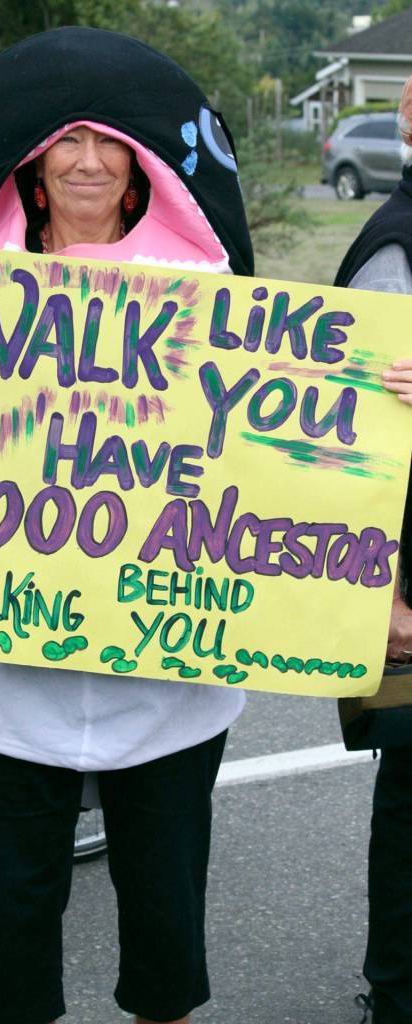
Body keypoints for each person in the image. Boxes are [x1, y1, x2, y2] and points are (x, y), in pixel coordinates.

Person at [0, 26, 253, 1024]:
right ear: (31, 168)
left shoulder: (211, 299)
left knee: (166, 929)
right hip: (7, 693)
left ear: (141, 171)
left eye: (110, 143)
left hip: (168, 687)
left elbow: (283, 441)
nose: (88, 160)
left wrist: (379, 395)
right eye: (66, 142)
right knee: (12, 929)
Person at [334, 78, 412, 1024]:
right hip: (401, 578)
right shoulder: (392, 252)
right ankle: (394, 997)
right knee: (411, 792)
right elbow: (340, 449)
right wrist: (378, 593)